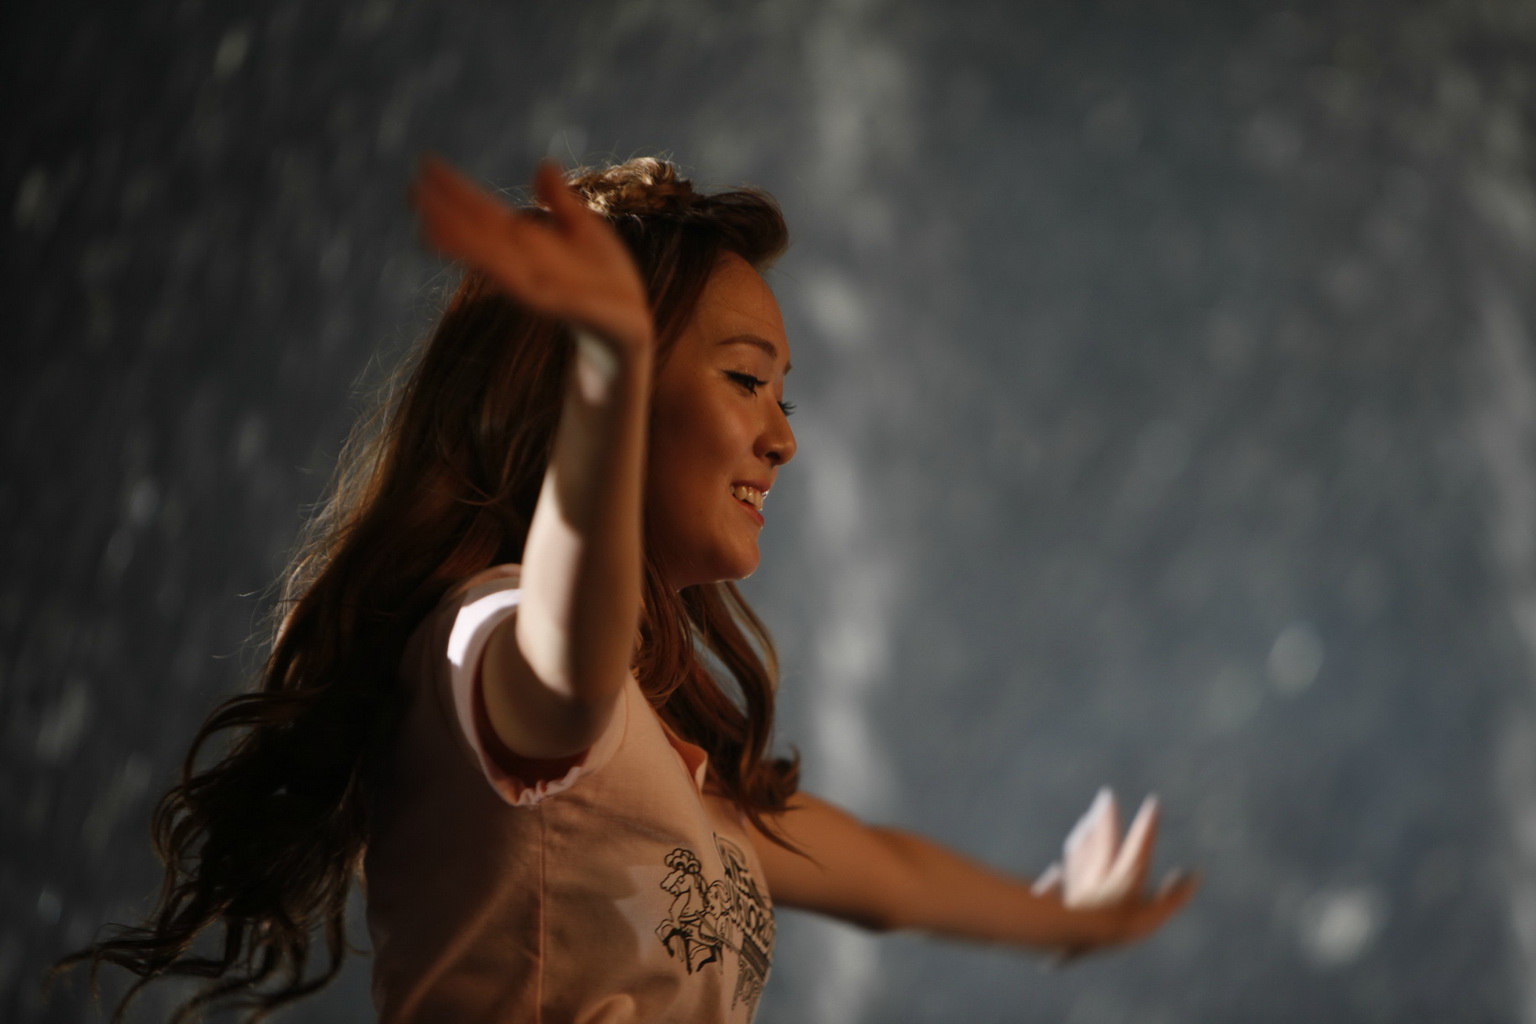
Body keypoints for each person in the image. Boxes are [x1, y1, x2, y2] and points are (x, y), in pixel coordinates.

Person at [60, 155, 1195, 1023]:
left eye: (786, 396)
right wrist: (609, 368)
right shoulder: (491, 633)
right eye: (746, 379)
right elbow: (566, 660)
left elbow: (885, 879)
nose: (783, 439)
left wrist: (1067, 916)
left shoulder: (666, 768)